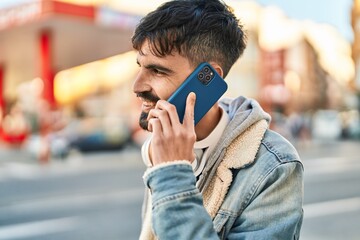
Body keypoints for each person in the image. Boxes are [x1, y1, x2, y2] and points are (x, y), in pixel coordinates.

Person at [131, 0, 304, 239]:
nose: (137, 86)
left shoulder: (274, 167)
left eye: (158, 70)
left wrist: (172, 176)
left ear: (207, 79)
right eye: (139, 66)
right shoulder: (165, 145)